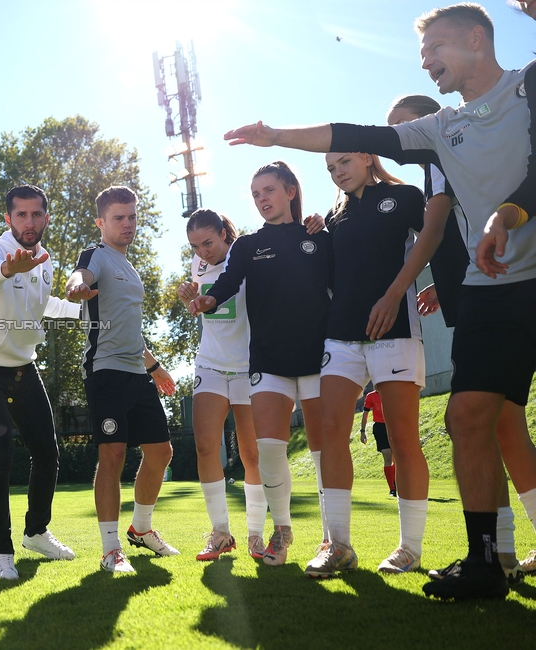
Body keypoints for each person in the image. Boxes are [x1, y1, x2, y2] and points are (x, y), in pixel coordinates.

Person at [222, 2, 536, 600]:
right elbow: (358, 132)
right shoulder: (439, 132)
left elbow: (440, 230)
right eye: (421, 54)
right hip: (487, 291)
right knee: (471, 417)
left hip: (496, 286)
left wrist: (499, 221)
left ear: (476, 38)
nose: (425, 62)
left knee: (495, 424)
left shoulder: (527, 88)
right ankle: (483, 561)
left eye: (434, 49)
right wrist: (276, 135)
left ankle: (474, 549)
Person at [389, 93, 536, 583]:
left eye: (405, 126)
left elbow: (434, 230)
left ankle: (501, 555)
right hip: (473, 294)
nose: (402, 140)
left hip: (496, 295)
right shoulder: (436, 168)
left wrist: (398, 290)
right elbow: (457, 230)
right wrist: (439, 282)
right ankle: (504, 554)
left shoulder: (448, 154)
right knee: (499, 424)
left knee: (484, 423)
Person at [190, 162, 332, 567]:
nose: (262, 199)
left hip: (318, 357)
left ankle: (331, 540)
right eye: (255, 194)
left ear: (290, 191)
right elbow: (228, 280)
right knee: (269, 451)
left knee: (325, 452)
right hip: (267, 359)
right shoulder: (248, 245)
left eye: (268, 190)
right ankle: (281, 533)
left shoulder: (318, 237)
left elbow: (341, 284)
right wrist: (208, 300)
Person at [303, 152, 437, 579]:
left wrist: (428, 289)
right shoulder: (333, 215)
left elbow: (441, 239)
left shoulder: (405, 197)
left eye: (343, 161)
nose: (337, 171)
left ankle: (409, 549)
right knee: (329, 433)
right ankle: (338, 545)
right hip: (340, 336)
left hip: (394, 331)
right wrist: (316, 234)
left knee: (402, 439)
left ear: (366, 156)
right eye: (329, 168)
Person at [0, 184, 82, 580]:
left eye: (37, 214)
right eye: (21, 215)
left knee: (47, 451)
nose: (30, 221)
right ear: (8, 218)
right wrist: (10, 268)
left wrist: (84, 310)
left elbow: (43, 303)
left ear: (46, 217)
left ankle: (36, 531)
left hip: (23, 366)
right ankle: (0, 552)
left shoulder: (44, 259)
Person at [65, 186, 178, 574]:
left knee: (161, 453)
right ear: (101, 222)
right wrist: (75, 285)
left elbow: (129, 328)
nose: (127, 224)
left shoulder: (129, 266)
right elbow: (80, 273)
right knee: (112, 455)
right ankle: (111, 549)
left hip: (136, 372)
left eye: (132, 216)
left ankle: (141, 530)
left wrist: (154, 365)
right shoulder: (96, 255)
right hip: (106, 372)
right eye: (118, 218)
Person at [176, 209, 266, 561]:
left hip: (247, 367)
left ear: (226, 232)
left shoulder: (247, 257)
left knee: (251, 455)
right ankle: (220, 533)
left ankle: (256, 535)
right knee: (204, 448)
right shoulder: (198, 265)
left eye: (208, 242)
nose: (203, 252)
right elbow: (202, 310)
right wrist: (189, 299)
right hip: (210, 364)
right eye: (195, 246)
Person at [359, 390, 396, 497]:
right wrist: (362, 431)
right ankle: (392, 489)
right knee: (387, 456)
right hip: (380, 428)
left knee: (395, 458)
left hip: (392, 426)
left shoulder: (392, 392)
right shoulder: (371, 396)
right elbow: (365, 414)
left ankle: (397, 484)